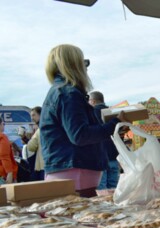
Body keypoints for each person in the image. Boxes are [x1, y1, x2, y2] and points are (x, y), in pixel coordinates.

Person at [40, 44, 127, 198]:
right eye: (83, 62)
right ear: (73, 64)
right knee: (81, 219)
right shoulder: (68, 93)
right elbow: (80, 135)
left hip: (69, 168)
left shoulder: (60, 91)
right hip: (75, 169)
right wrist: (114, 125)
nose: (86, 68)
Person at [88, 91, 121, 190]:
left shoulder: (91, 113)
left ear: (93, 101)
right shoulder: (114, 113)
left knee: (101, 190)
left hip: (100, 157)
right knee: (114, 189)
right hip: (115, 156)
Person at [26, 106, 45, 181]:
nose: (32, 118)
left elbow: (31, 147)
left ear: (40, 115)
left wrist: (29, 138)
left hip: (42, 166)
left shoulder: (40, 130)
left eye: (34, 115)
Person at [0, 117, 18, 185]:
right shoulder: (2, 137)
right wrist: (10, 173)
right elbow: (4, 156)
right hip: (3, 174)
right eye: (3, 124)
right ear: (1, 124)